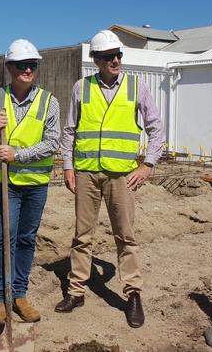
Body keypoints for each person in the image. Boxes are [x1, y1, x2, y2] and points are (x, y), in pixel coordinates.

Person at [54, 30, 165, 328]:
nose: (116, 60)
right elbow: (70, 131)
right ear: (96, 61)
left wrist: (147, 166)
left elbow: (157, 129)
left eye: (118, 55)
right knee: (81, 236)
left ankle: (133, 295)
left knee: (125, 237)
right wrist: (67, 166)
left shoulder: (135, 87)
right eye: (108, 56)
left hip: (122, 176)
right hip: (87, 173)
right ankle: (77, 291)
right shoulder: (82, 88)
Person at [0, 39, 60, 323]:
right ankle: (1, 300)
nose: (28, 69)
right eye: (22, 65)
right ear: (10, 67)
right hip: (4, 184)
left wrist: (17, 154)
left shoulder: (49, 101)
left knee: (26, 239)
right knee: (5, 239)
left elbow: (52, 142)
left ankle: (19, 294)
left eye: (32, 65)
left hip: (35, 185)